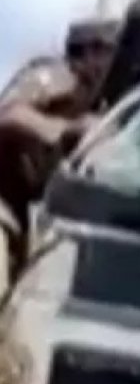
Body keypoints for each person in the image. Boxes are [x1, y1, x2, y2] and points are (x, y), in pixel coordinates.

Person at [0, 18, 118, 274]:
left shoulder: (99, 101)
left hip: (23, 211)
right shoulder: (60, 77)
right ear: (90, 53)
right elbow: (9, 113)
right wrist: (63, 131)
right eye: (110, 51)